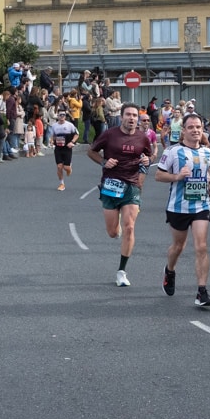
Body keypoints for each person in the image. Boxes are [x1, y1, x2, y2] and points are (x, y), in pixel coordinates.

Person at [154, 113, 210, 307]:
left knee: (201, 246)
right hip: (178, 206)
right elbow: (158, 175)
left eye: (198, 127)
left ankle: (202, 291)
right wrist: (177, 177)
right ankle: (170, 270)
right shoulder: (173, 152)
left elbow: (205, 174)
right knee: (178, 246)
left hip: (201, 205)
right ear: (183, 131)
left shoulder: (207, 152)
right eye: (191, 127)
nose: (195, 130)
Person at [87, 104, 152, 287]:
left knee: (130, 227)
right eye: (128, 115)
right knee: (113, 232)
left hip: (132, 185)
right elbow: (91, 151)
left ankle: (121, 272)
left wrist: (147, 160)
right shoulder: (109, 134)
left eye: (134, 115)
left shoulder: (142, 137)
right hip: (111, 185)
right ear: (121, 117)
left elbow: (149, 157)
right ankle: (118, 231)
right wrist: (104, 162)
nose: (131, 118)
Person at [50, 109, 79, 191]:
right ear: (58, 116)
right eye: (60, 115)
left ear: (65, 116)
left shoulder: (70, 125)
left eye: (63, 115)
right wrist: (51, 141)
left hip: (67, 148)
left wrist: (72, 142)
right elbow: (53, 135)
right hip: (58, 148)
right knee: (59, 166)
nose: (62, 116)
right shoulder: (54, 126)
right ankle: (62, 184)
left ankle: (69, 169)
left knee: (66, 167)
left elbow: (77, 134)